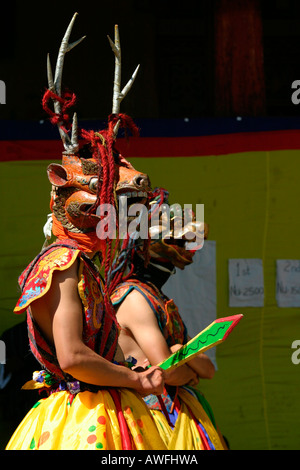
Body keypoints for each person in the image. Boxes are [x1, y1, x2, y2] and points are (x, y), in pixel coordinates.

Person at [5, 16, 166, 451]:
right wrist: (137, 377)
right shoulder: (63, 265)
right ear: (60, 192)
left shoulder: (85, 266)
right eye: (95, 194)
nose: (106, 208)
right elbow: (73, 357)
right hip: (80, 422)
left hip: (107, 412)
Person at [111, 189, 227, 450]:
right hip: (149, 421)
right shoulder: (134, 297)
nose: (191, 247)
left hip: (180, 416)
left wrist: (179, 351)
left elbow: (207, 370)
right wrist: (185, 368)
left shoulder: (158, 298)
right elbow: (169, 370)